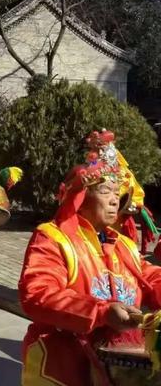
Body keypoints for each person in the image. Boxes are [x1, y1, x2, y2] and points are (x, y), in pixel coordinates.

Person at [19, 129, 161, 386]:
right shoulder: (52, 238)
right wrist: (101, 312)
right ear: (81, 198)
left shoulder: (124, 244)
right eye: (105, 191)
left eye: (117, 193)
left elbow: (150, 276)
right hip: (63, 363)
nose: (114, 201)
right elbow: (37, 294)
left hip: (119, 366)